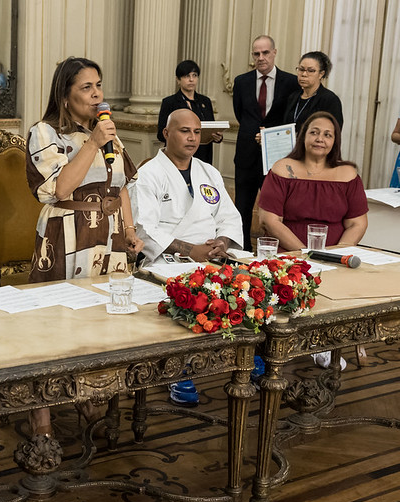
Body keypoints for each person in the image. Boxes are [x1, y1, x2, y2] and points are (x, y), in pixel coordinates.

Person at [27, 57, 144, 435]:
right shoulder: (45, 133)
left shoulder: (106, 131)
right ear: (64, 96)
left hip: (107, 236)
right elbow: (60, 188)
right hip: (66, 233)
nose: (97, 95)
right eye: (86, 88)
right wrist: (92, 143)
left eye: (99, 86)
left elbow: (122, 185)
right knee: (55, 326)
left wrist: (129, 230)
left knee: (103, 323)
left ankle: (95, 399)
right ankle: (41, 415)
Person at [130, 109, 243, 406]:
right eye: (184, 131)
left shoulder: (209, 172)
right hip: (166, 259)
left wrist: (222, 242)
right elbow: (144, 228)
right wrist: (190, 250)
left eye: (196, 132)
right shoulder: (148, 174)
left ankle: (244, 353)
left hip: (211, 256)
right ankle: (178, 369)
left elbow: (229, 216)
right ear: (166, 134)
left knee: (248, 280)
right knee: (183, 291)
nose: (192, 138)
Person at [259, 111, 367, 370]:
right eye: (314, 132)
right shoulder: (283, 168)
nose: (320, 138)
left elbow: (357, 222)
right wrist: (305, 253)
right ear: (303, 136)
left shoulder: (347, 173)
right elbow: (269, 219)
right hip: (290, 251)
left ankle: (323, 344)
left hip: (336, 253)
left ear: (335, 141)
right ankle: (281, 346)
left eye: (327, 134)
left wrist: (337, 253)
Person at [232, 35, 298, 251]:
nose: (261, 58)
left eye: (265, 53)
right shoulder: (241, 81)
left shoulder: (291, 82)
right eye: (256, 54)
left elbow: (290, 118)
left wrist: (270, 134)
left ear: (274, 52)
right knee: (242, 206)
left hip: (277, 155)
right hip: (247, 154)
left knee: (277, 208)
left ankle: (275, 251)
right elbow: (241, 114)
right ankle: (242, 250)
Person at [157, 60, 221, 165]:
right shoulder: (169, 102)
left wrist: (217, 137)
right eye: (187, 76)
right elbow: (161, 134)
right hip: (178, 155)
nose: (191, 80)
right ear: (178, 80)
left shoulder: (205, 101)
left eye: (194, 75)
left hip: (203, 155)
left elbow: (211, 126)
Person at [283, 51, 344, 132]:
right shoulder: (293, 97)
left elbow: (333, 131)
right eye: (301, 69)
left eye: (310, 71)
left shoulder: (329, 99)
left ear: (321, 74)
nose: (304, 74)